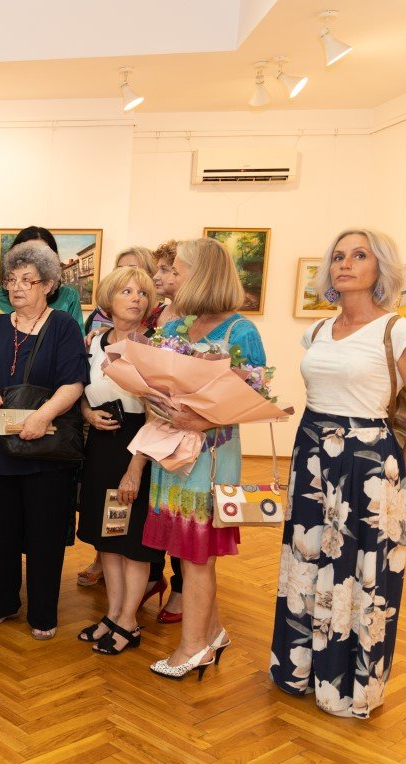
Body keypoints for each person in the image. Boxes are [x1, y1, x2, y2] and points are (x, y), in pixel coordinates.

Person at [270, 229, 406, 718]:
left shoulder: (400, 331)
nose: (345, 264)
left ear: (380, 267)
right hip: (312, 454)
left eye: (359, 255)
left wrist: (398, 474)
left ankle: (346, 686)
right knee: (306, 561)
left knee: (361, 573)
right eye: (339, 256)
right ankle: (300, 670)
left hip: (367, 464)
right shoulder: (318, 331)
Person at [140, 237, 266, 680]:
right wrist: (156, 399)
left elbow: (255, 400)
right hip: (173, 453)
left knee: (197, 556)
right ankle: (212, 632)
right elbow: (154, 384)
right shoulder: (176, 327)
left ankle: (193, 649)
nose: (171, 275)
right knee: (185, 549)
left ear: (204, 274)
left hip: (211, 458)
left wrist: (203, 419)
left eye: (179, 268)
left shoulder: (240, 332)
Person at [0, 241, 88, 640]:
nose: (16, 287)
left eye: (27, 280)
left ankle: (43, 613)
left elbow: (74, 382)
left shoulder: (63, 325)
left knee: (44, 534)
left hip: (45, 446)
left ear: (48, 285)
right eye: (11, 279)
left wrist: (43, 415)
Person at [75, 266, 166, 654]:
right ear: (108, 300)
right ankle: (112, 615)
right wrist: (87, 413)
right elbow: (80, 390)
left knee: (133, 541)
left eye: (142, 293)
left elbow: (157, 415)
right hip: (100, 445)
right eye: (126, 291)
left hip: (138, 448)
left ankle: (129, 621)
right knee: (108, 538)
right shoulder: (94, 342)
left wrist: (135, 468)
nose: (136, 298)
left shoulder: (154, 347)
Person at [0, 226, 83, 333]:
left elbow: (77, 338)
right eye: (26, 253)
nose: (34, 260)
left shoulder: (68, 296)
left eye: (42, 255)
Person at [84, 246, 164, 333]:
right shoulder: (100, 312)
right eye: (120, 269)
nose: (124, 274)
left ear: (151, 274)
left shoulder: (165, 315)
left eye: (132, 268)